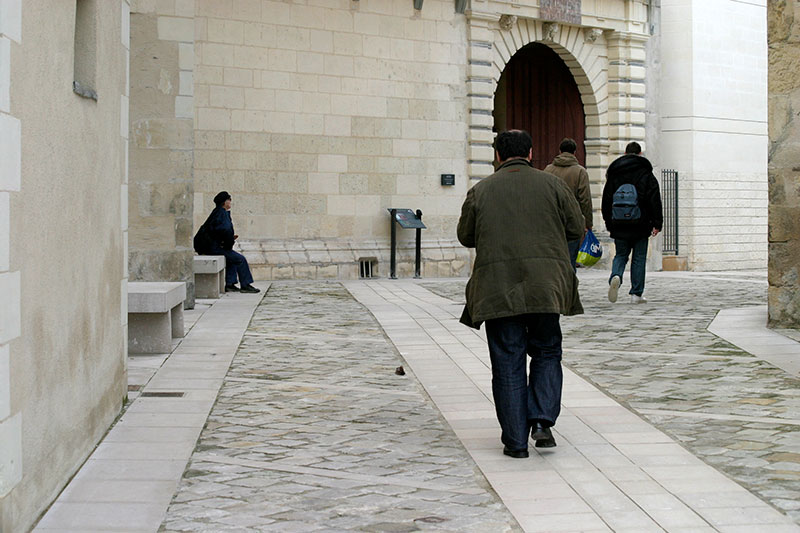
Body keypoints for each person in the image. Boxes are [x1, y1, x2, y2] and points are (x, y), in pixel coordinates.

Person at [457, 130, 585, 458]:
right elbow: (575, 227)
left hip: (498, 288)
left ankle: (515, 442)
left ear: (497, 155)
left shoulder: (481, 190)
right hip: (546, 286)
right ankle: (542, 420)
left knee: (507, 361)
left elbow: (466, 236)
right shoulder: (553, 184)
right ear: (530, 153)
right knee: (546, 351)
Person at [601, 142, 663, 304]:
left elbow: (606, 200)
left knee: (621, 255)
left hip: (619, 223)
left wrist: (609, 222)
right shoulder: (646, 173)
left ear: (625, 153)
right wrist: (657, 223)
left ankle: (616, 275)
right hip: (641, 224)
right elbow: (654, 199)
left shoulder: (614, 173)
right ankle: (636, 294)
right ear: (640, 154)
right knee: (639, 258)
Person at [194, 191, 260, 294]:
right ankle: (245, 284)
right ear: (225, 202)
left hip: (211, 246)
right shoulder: (222, 213)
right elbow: (225, 230)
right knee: (240, 259)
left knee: (231, 259)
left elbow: (217, 231)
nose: (230, 202)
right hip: (214, 248)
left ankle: (230, 284)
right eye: (229, 200)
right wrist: (229, 242)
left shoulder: (217, 212)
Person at [543, 138, 593, 270]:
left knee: (554, 259)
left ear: (560, 151)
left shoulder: (548, 170)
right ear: (574, 152)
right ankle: (569, 286)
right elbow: (585, 199)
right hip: (573, 220)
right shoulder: (580, 171)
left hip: (551, 219)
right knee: (570, 259)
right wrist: (588, 223)